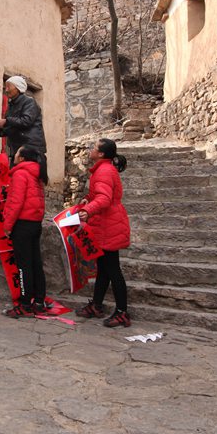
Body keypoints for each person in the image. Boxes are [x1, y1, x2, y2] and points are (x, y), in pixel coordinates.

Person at [75, 138, 132, 327]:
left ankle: (122, 312)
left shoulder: (104, 171)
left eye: (94, 147)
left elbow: (105, 198)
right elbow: (99, 195)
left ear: (100, 154)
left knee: (113, 270)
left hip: (109, 226)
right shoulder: (103, 169)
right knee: (104, 269)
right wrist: (88, 200)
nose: (90, 149)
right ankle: (97, 305)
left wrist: (88, 210)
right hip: (106, 224)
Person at [2, 146, 47, 318]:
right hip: (35, 223)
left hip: (22, 224)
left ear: (21, 158)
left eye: (17, 153)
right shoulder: (37, 174)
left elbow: (16, 202)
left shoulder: (20, 174)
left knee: (24, 266)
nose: (14, 155)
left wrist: (8, 225)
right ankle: (39, 301)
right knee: (35, 263)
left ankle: (25, 304)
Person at [0, 75, 47, 182]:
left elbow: (26, 121)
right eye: (6, 87)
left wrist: (6, 121)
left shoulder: (29, 102)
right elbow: (12, 127)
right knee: (16, 181)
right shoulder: (11, 106)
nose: (6, 90)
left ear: (18, 88)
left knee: (28, 180)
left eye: (9, 86)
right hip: (16, 149)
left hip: (30, 149)